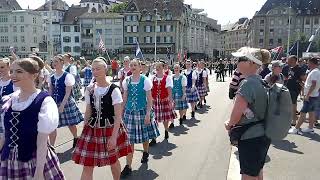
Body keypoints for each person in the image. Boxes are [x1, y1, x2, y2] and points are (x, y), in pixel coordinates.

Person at [0, 58, 65, 179]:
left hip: (35, 158)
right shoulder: (7, 99)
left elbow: (42, 141)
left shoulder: (44, 101)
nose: (13, 75)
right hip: (8, 159)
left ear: (34, 75)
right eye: (12, 71)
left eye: (19, 71)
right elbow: (4, 135)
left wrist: (39, 172)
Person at [73, 58, 132, 180]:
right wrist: (84, 129)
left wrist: (114, 137)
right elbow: (88, 111)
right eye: (93, 69)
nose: (95, 71)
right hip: (92, 128)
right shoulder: (89, 89)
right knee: (87, 165)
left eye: (98, 69)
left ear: (106, 69)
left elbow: (118, 115)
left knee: (113, 161)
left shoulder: (114, 89)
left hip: (110, 128)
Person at [225, 47, 271, 180]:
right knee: (257, 172)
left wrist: (229, 124)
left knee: (248, 176)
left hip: (250, 137)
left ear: (251, 63)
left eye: (240, 59)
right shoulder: (262, 82)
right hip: (263, 134)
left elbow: (236, 115)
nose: (237, 62)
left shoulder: (248, 84)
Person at [121, 59, 160, 178]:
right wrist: (120, 113)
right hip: (129, 113)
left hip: (142, 111)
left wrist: (148, 114)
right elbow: (125, 97)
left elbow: (150, 99)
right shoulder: (126, 81)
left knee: (144, 136)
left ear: (140, 68)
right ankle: (128, 166)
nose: (132, 66)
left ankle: (146, 152)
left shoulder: (145, 80)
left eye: (135, 65)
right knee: (130, 140)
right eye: (131, 65)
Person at [49, 55, 84, 148]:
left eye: (56, 61)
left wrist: (62, 105)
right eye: (53, 61)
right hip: (55, 103)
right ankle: (51, 146)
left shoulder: (67, 76)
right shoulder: (52, 77)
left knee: (71, 124)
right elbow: (50, 91)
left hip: (66, 102)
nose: (54, 63)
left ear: (62, 62)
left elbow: (68, 93)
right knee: (52, 125)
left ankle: (76, 137)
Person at [289, 58, 320, 134]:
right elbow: (313, 84)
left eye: (309, 63)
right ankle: (310, 128)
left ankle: (296, 128)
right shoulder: (316, 71)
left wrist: (307, 95)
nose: (307, 64)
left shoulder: (314, 72)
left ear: (312, 63)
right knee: (311, 112)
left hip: (310, 96)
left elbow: (313, 84)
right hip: (314, 95)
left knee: (303, 113)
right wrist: (304, 85)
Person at [150, 61, 176, 141]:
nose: (157, 69)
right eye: (156, 67)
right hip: (155, 101)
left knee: (165, 118)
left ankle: (166, 130)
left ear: (163, 68)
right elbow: (150, 90)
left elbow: (169, 91)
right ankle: (154, 138)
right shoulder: (152, 78)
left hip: (164, 100)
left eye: (159, 67)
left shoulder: (167, 78)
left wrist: (171, 102)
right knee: (154, 119)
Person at [286, 55, 306, 126]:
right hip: (289, 88)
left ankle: (294, 120)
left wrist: (299, 81)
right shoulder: (290, 68)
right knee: (291, 105)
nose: (287, 61)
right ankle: (293, 118)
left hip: (294, 89)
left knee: (293, 105)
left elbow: (304, 78)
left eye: (289, 60)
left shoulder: (299, 69)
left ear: (293, 60)